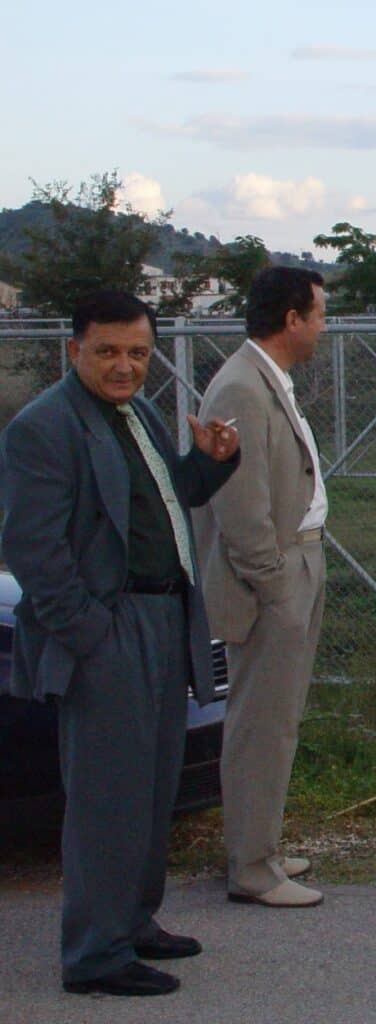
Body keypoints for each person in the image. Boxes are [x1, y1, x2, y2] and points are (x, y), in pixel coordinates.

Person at [0, 290, 240, 996]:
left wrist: (208, 463)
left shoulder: (132, 414)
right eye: (107, 351)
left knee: (152, 782)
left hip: (165, 621)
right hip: (109, 629)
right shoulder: (45, 426)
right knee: (108, 794)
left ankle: (132, 922)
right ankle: (94, 955)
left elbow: (161, 506)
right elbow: (33, 547)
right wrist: (90, 634)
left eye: (138, 352)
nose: (124, 365)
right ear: (73, 349)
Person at [193, 266, 328, 908]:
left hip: (298, 563)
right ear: (293, 319)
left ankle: (264, 850)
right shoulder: (242, 388)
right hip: (275, 574)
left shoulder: (266, 380)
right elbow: (240, 507)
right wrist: (276, 584)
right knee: (260, 724)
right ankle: (251, 868)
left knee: (281, 720)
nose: (324, 327)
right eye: (320, 314)